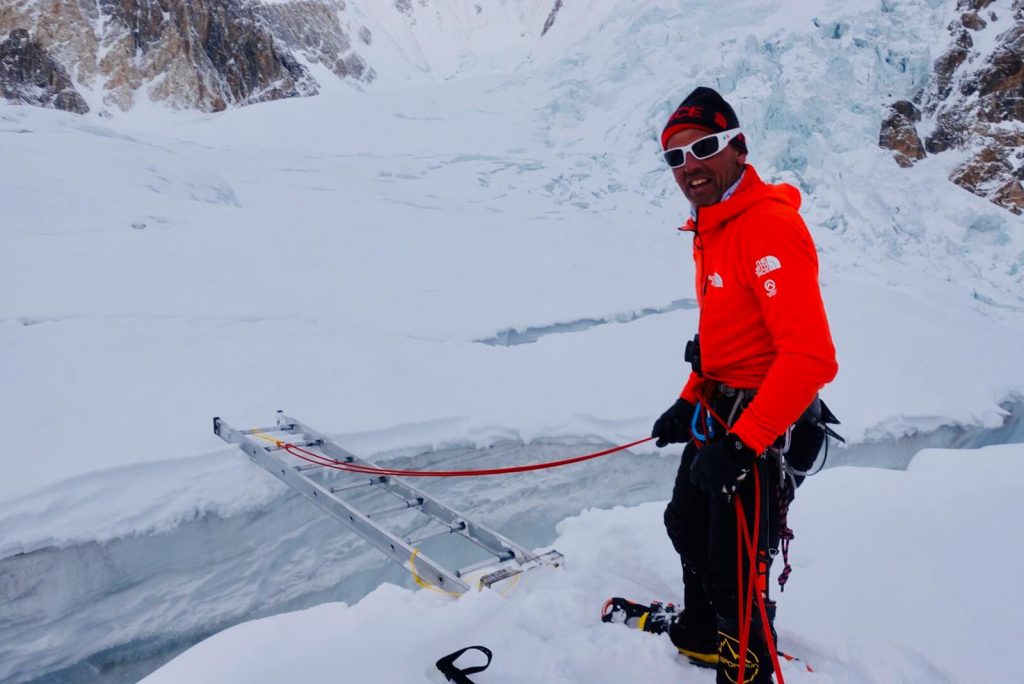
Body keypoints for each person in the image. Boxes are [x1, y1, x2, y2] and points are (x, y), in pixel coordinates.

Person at [650, 87, 839, 683]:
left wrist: (742, 444)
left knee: (737, 574)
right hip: (721, 414)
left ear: (738, 147)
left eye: (703, 148)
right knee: (685, 522)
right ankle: (705, 636)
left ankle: (747, 668)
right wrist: (687, 402)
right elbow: (721, 338)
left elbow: (808, 358)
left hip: (763, 429)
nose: (690, 167)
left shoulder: (767, 227)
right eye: (675, 157)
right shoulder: (711, 228)